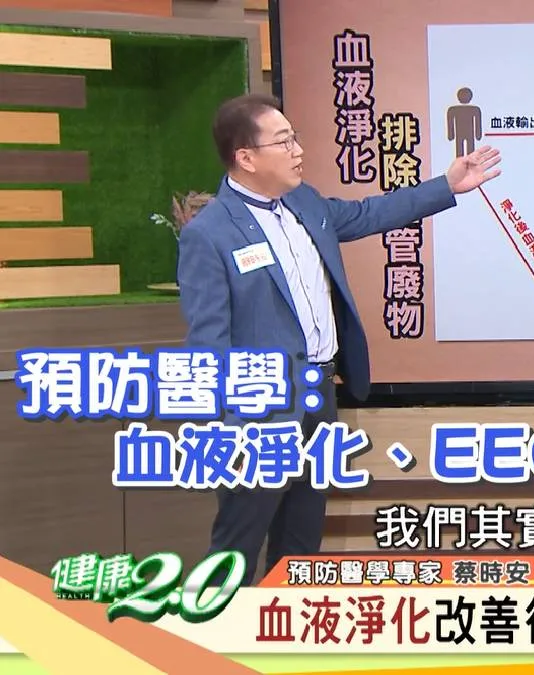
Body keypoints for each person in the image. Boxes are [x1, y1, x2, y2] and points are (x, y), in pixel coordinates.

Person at [177, 93, 500, 584]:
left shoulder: (304, 202)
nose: (298, 150)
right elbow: (208, 344)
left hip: (318, 397)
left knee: (301, 543)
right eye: (284, 142)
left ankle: (282, 627)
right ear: (246, 157)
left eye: (295, 138)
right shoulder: (211, 234)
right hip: (257, 416)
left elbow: (369, 214)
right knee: (237, 547)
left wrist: (447, 185)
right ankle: (217, 630)